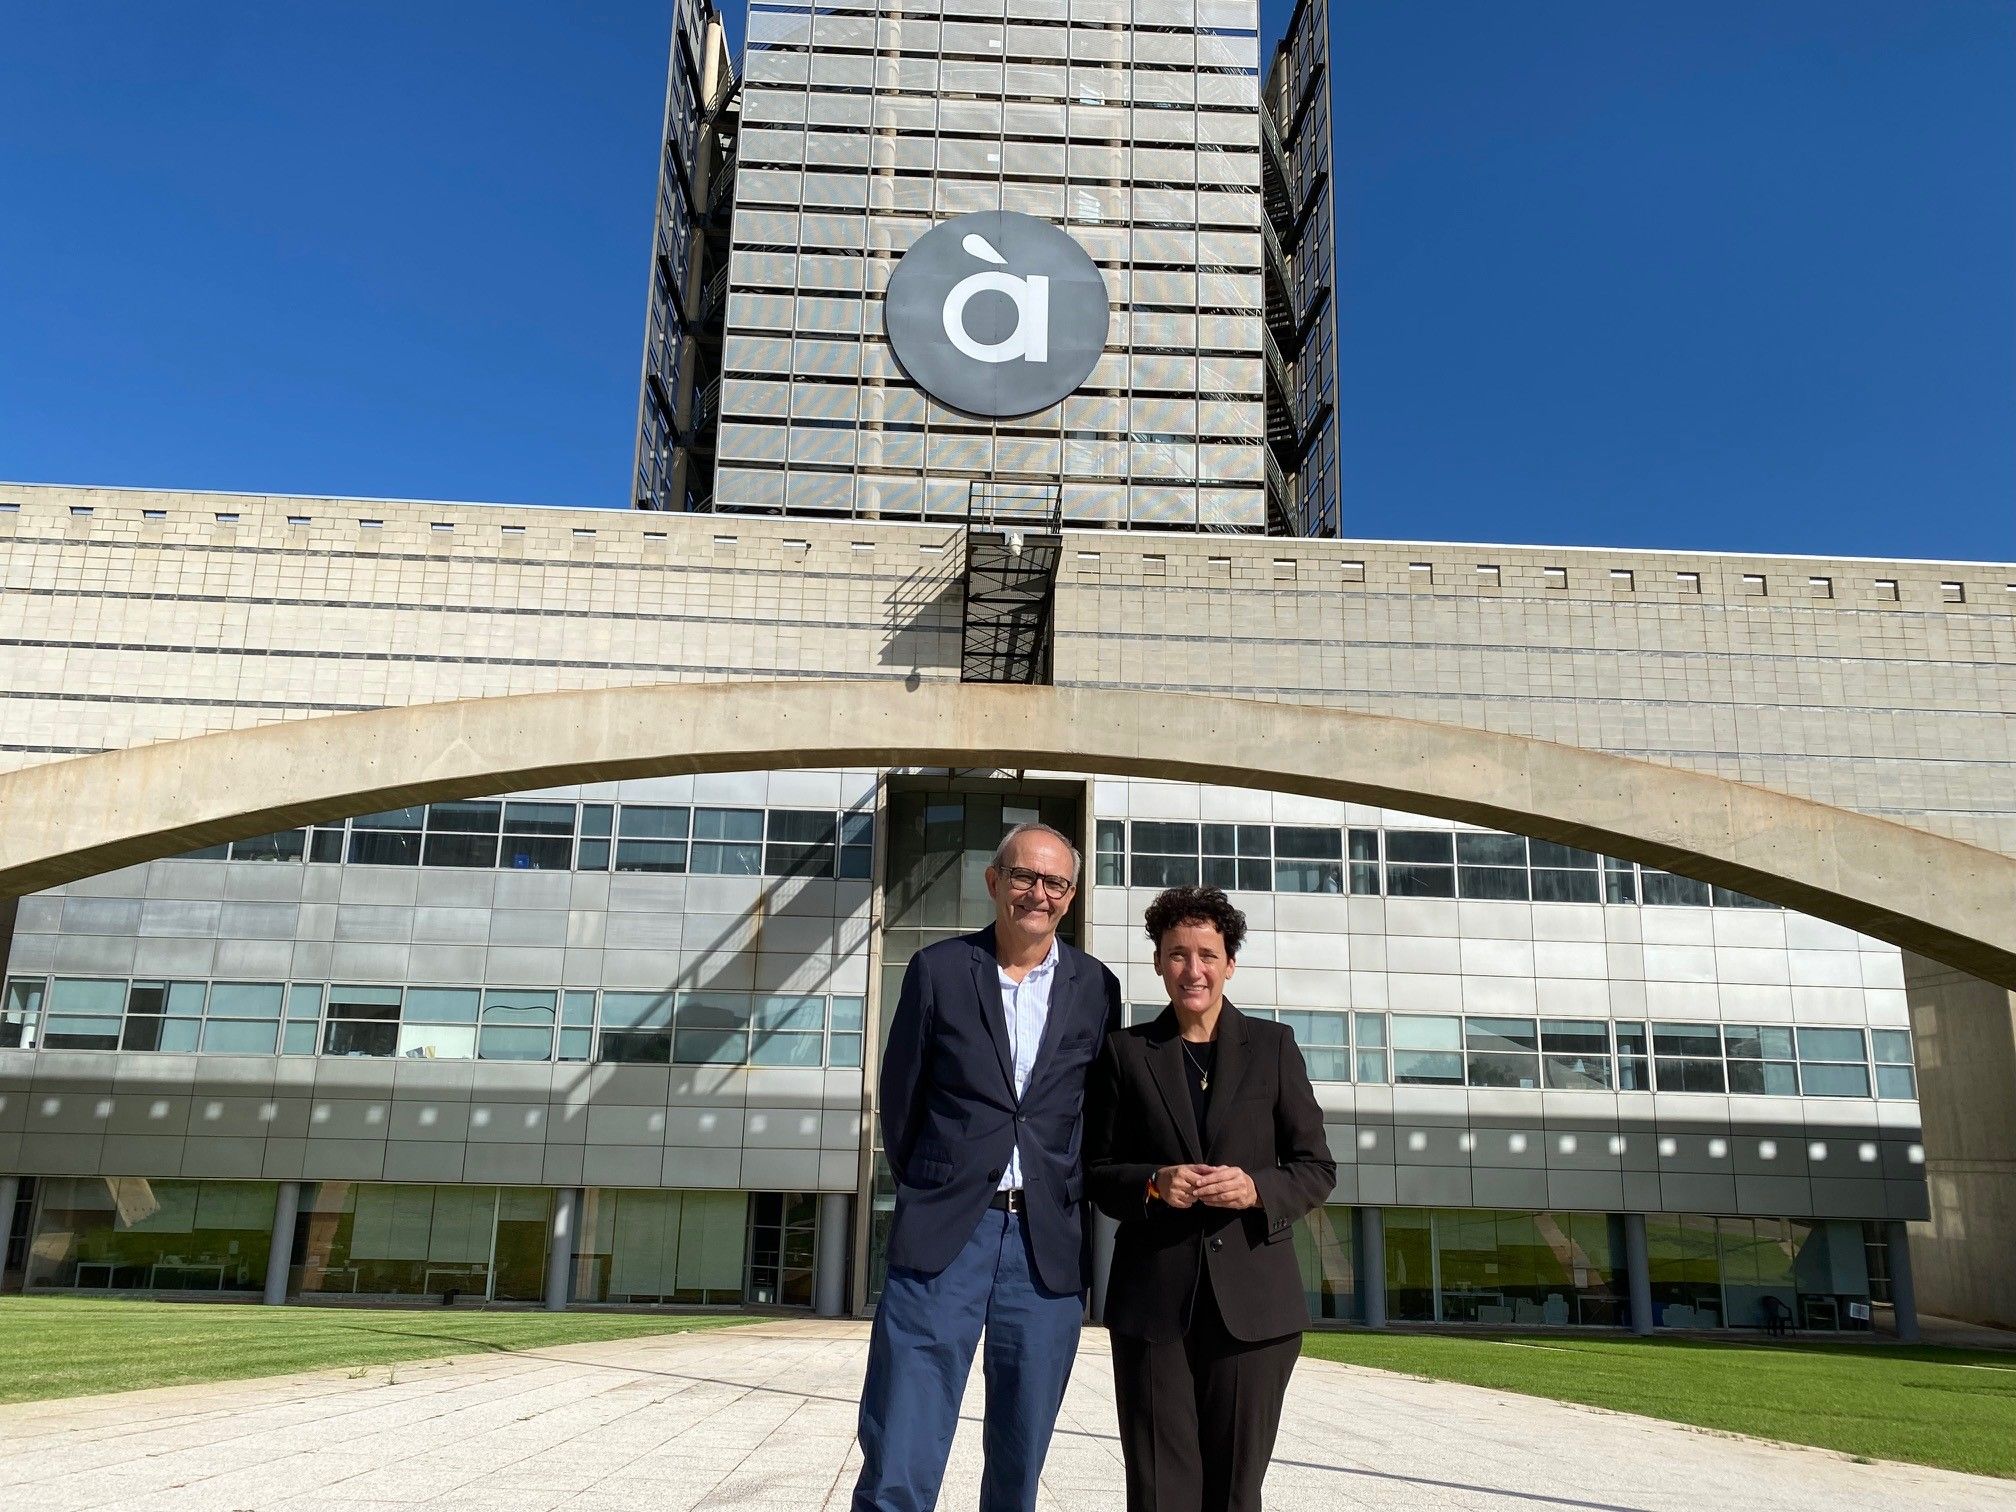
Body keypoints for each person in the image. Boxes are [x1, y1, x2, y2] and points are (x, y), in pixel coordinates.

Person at [854, 821, 1124, 1512]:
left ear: (1071, 896)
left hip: (1044, 1247)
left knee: (1020, 1452)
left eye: (1055, 882)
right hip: (947, 1234)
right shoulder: (939, 970)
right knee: (901, 1451)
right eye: (1025, 877)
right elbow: (902, 1095)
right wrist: (930, 1185)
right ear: (994, 882)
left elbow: (1096, 1112)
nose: (1038, 893)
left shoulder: (1097, 988)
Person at [1086, 886, 1336, 1512]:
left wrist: (1257, 1189)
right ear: (1157, 963)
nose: (1191, 970)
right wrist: (1151, 1182)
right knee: (1158, 1488)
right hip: (1153, 1308)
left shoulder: (1275, 1048)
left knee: (1234, 1489)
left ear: (1230, 963)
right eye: (1176, 954)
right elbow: (1094, 1171)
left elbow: (1316, 1167)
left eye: (1206, 954)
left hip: (1254, 1308)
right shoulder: (1125, 1053)